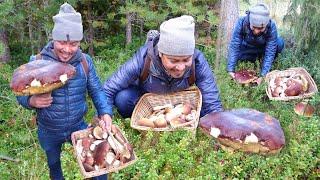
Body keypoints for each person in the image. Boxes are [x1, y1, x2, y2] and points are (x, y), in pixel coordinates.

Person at [16, 3, 112, 180]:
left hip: (78, 125)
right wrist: (31, 102)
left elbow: (97, 90)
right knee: (54, 165)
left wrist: (105, 112)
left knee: (97, 167)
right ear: (53, 39)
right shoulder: (37, 61)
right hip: (48, 129)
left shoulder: (84, 62)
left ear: (79, 42)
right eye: (62, 42)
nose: (67, 50)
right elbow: (20, 92)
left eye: (73, 44)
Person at [103, 15, 223, 118]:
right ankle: (140, 120)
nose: (181, 67)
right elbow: (109, 88)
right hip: (148, 100)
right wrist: (104, 115)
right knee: (123, 99)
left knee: (205, 108)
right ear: (161, 53)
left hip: (179, 103)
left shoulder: (197, 61)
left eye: (186, 60)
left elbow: (211, 99)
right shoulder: (143, 58)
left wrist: (218, 126)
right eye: (174, 61)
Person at [227, 3, 285, 84]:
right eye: (254, 27)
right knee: (237, 54)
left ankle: (258, 58)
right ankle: (255, 57)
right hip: (247, 47)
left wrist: (263, 75)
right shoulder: (242, 22)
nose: (256, 31)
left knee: (279, 44)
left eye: (260, 28)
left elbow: (270, 51)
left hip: (263, 47)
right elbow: (235, 45)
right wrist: (230, 69)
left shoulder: (271, 26)